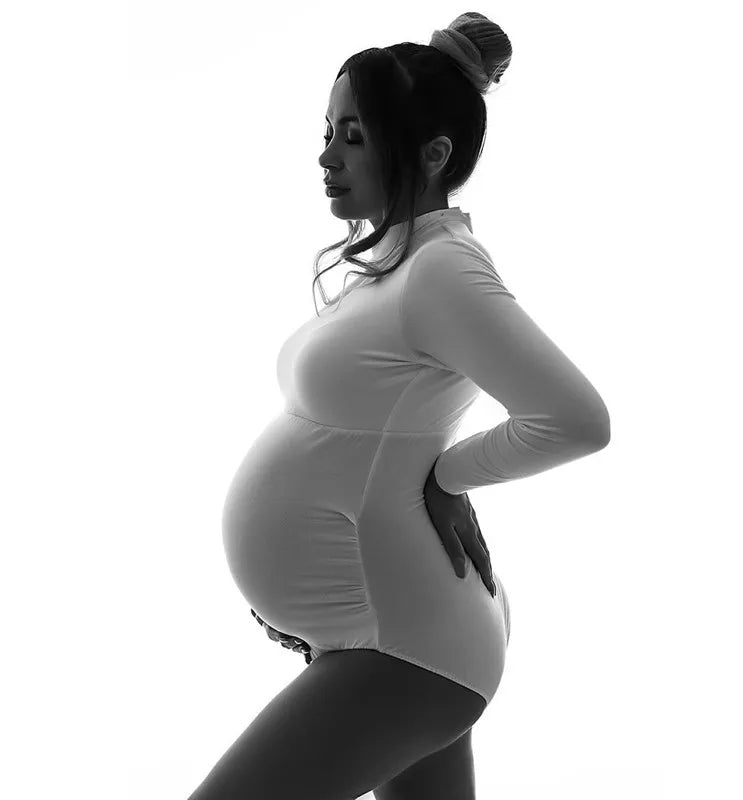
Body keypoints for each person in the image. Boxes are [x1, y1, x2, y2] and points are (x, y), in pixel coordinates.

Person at [188, 13, 610, 800]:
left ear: (433, 154)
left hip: (406, 644)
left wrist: (448, 478)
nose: (327, 155)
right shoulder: (394, 265)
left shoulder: (444, 269)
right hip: (392, 632)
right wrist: (312, 604)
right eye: (327, 132)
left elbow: (577, 420)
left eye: (354, 136)